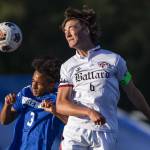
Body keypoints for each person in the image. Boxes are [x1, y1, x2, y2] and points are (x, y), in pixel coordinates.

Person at [56, 5, 150, 150]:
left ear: (86, 29)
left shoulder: (115, 60)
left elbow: (132, 91)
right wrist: (89, 112)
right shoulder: (67, 66)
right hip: (75, 131)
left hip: (105, 132)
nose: (67, 33)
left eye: (71, 28)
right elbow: (61, 104)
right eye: (65, 31)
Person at [0, 56, 67, 150]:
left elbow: (71, 122)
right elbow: (4, 121)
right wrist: (7, 104)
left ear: (51, 85)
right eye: (33, 81)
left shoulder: (58, 98)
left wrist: (55, 111)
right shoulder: (26, 92)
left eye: (39, 83)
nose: (34, 86)